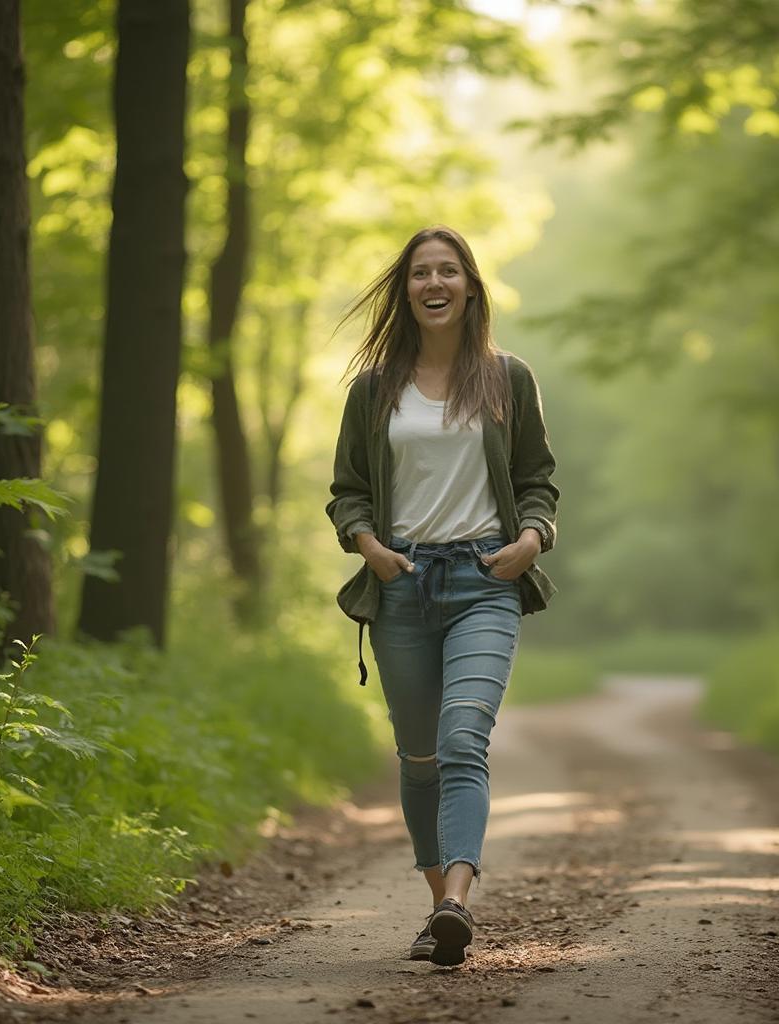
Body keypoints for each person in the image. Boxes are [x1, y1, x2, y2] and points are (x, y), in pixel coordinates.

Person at [326, 225, 558, 967]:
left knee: (464, 739)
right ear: (406, 291)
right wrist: (370, 548)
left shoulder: (507, 378)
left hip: (485, 581)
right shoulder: (372, 390)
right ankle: (439, 910)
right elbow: (349, 492)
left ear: (469, 287)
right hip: (402, 585)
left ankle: (457, 898)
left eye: (448, 271)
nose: (434, 282)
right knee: (419, 757)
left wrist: (532, 538)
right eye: (421, 272)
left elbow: (537, 481)